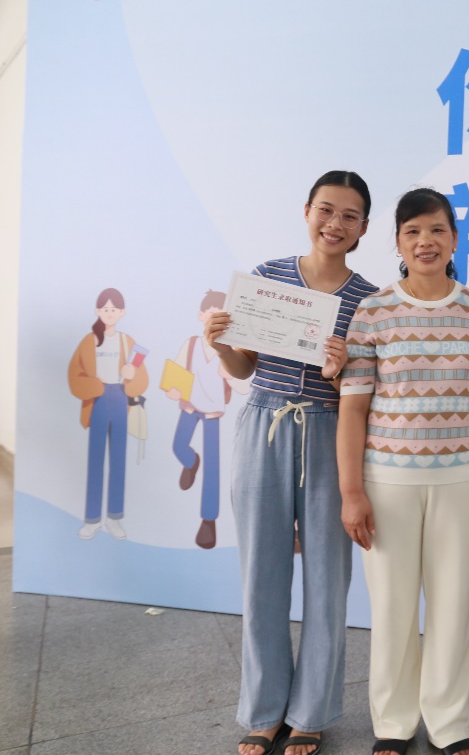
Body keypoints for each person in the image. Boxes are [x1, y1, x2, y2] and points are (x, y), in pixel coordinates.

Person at [204, 170, 377, 755]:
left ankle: (311, 713)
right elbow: (244, 367)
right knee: (262, 574)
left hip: (332, 431)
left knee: (328, 577)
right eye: (326, 210)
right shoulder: (268, 278)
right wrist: (220, 342)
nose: (335, 224)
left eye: (349, 216)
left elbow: (366, 388)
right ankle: (263, 710)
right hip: (266, 422)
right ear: (307, 211)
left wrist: (343, 368)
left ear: (363, 228)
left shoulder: (369, 299)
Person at [337, 189, 469, 755]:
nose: (425, 241)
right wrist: (352, 491)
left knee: (454, 606)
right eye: (412, 232)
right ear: (398, 243)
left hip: (463, 480)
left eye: (436, 230)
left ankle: (450, 724)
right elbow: (354, 408)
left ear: (454, 239)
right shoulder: (373, 311)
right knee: (391, 607)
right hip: (387, 482)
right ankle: (393, 724)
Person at [166, 289, 250, 549]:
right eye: (211, 314)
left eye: (222, 315)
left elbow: (244, 385)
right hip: (189, 408)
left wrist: (230, 374)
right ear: (201, 315)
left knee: (212, 469)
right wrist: (173, 389)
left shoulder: (230, 351)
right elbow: (177, 371)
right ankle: (191, 461)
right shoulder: (191, 344)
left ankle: (208, 520)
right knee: (178, 446)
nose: (216, 320)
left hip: (213, 414)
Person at [67, 287, 150, 540]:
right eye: (105, 308)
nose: (110, 313)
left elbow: (142, 378)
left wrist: (132, 375)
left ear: (122, 312)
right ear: (98, 311)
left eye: (114, 309)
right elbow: (74, 373)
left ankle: (114, 518)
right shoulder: (88, 341)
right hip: (97, 399)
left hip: (121, 398)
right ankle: (92, 520)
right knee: (95, 460)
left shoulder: (127, 341)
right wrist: (95, 386)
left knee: (118, 461)